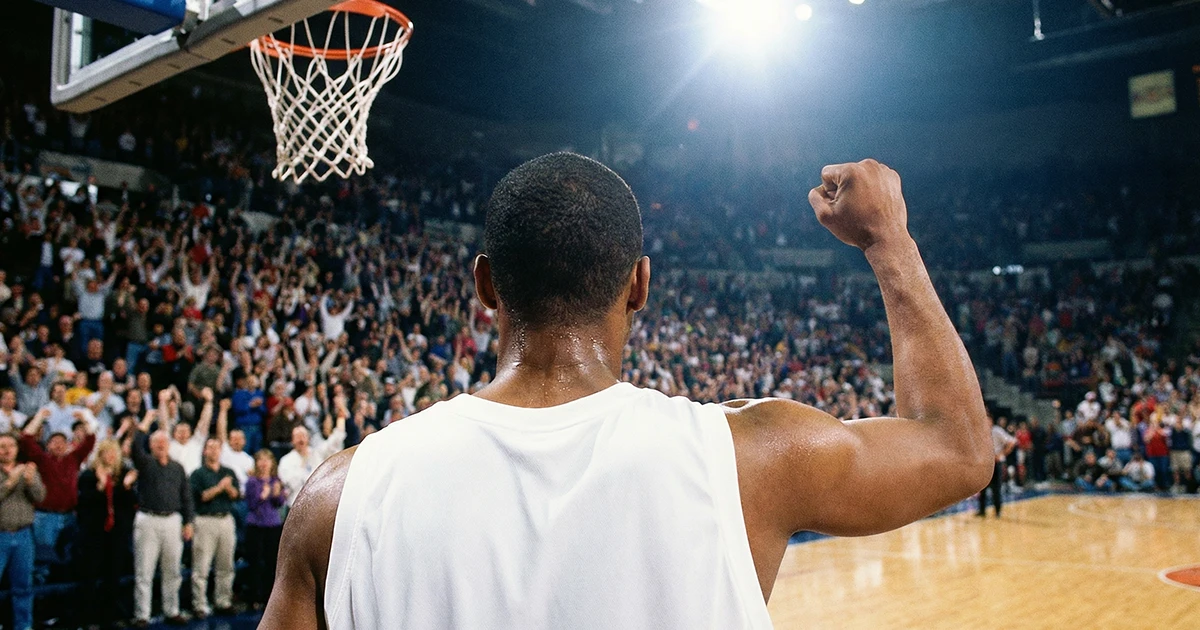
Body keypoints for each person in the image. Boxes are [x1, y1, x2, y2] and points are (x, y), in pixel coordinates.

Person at [261, 155, 993, 629]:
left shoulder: (337, 496)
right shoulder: (750, 459)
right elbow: (958, 448)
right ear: (639, 285)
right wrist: (888, 239)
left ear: (485, 285)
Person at [130, 412, 195, 627]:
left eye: (163, 442)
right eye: (156, 442)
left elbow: (186, 496)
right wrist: (146, 421)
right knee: (144, 570)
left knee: (173, 570)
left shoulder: (177, 468)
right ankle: (142, 615)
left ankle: (172, 610)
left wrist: (188, 522)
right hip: (148, 519)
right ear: (151, 446)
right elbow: (134, 448)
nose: (160, 445)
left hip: (172, 520)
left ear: (169, 445)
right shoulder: (146, 464)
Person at [19, 409, 95, 569]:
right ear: (47, 446)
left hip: (69, 516)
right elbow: (26, 439)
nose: (59, 444)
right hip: (45, 516)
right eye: (54, 441)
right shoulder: (42, 459)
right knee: (43, 558)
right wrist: (40, 417)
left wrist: (84, 420)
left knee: (68, 556)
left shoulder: (73, 458)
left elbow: (90, 440)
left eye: (63, 441)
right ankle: (41, 589)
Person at [77, 438, 139, 628]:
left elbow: (130, 504)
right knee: (91, 575)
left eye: (113, 452)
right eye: (106, 452)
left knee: (114, 574)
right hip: (94, 532)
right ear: (100, 455)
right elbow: (82, 502)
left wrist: (126, 487)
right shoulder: (88, 475)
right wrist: (100, 488)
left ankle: (110, 616)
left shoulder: (123, 476)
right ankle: (89, 618)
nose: (110, 456)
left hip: (117, 532)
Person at [189, 436, 240, 619]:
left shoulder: (229, 471)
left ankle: (223, 601)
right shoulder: (198, 474)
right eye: (210, 447)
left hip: (226, 519)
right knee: (201, 566)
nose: (213, 451)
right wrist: (219, 488)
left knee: (226, 565)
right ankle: (199, 604)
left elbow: (235, 495)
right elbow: (201, 497)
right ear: (205, 451)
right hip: (205, 520)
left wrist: (227, 488)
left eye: (217, 448)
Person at [0, 432, 45, 630]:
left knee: (24, 586)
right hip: (1, 534)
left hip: (24, 534)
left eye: (11, 445)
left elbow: (40, 496)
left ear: (17, 449)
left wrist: (29, 481)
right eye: (2, 446)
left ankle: (23, 626)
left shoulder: (27, 470)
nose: (7, 450)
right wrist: (10, 481)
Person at [244, 449, 286, 611]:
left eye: (267, 460)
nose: (264, 463)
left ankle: (269, 597)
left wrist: (277, 494)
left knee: (271, 563)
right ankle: (253, 597)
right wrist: (263, 495)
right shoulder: (252, 482)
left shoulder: (276, 480)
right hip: (255, 526)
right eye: (260, 460)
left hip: (272, 525)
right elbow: (251, 504)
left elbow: (279, 502)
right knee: (254, 563)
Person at [278, 415, 346, 511]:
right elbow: (292, 483)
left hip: (317, 506)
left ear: (308, 439)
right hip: (295, 507)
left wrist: (341, 418)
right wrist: (304, 462)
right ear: (292, 440)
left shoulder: (316, 453)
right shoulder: (286, 461)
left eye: (303, 436)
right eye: (297, 436)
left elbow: (333, 443)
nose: (301, 439)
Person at [978, 415, 1017, 518]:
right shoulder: (981, 431)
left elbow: (1012, 442)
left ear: (991, 421)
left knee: (996, 489)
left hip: (996, 463)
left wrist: (1002, 454)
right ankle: (982, 511)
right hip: (985, 463)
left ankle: (998, 511)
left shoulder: (996, 431)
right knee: (983, 488)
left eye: (986, 419)